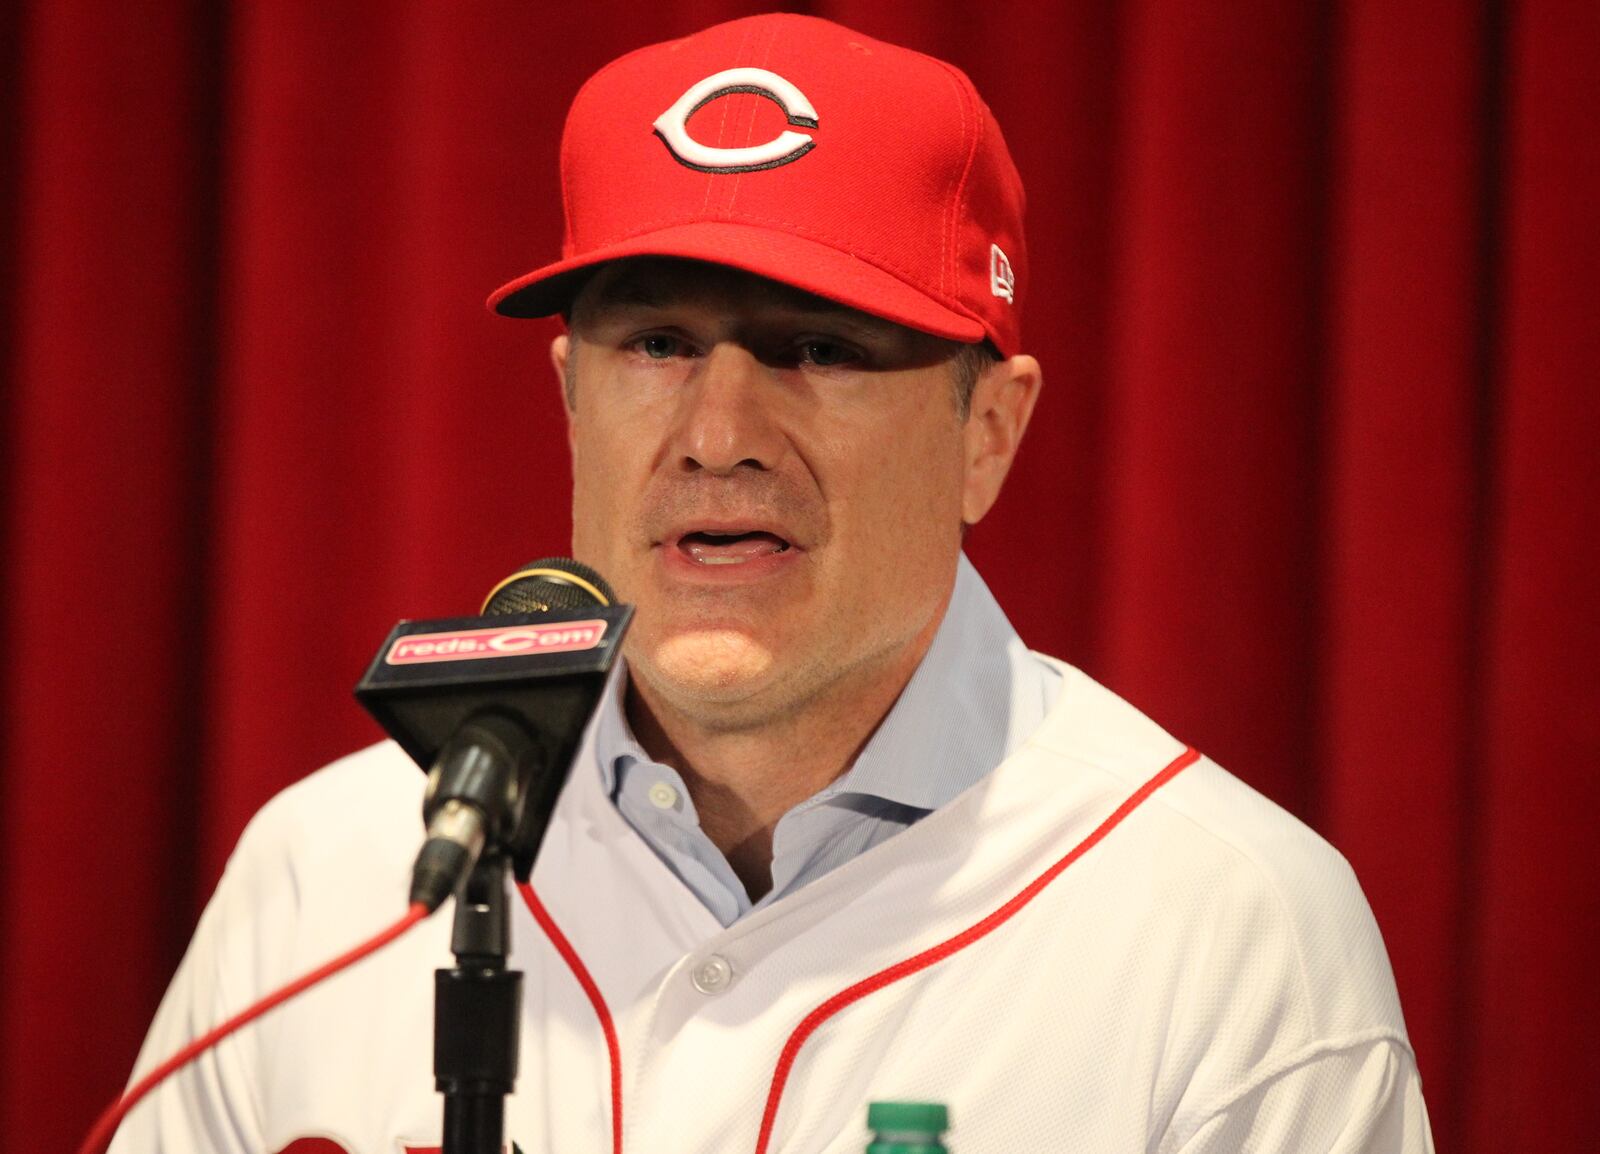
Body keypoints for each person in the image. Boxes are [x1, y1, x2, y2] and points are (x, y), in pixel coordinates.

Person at [112, 13, 1434, 1153]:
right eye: (660, 341)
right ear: (572, 399)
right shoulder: (330, 878)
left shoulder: (1230, 930)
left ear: (991, 430)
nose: (719, 430)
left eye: (817, 346)